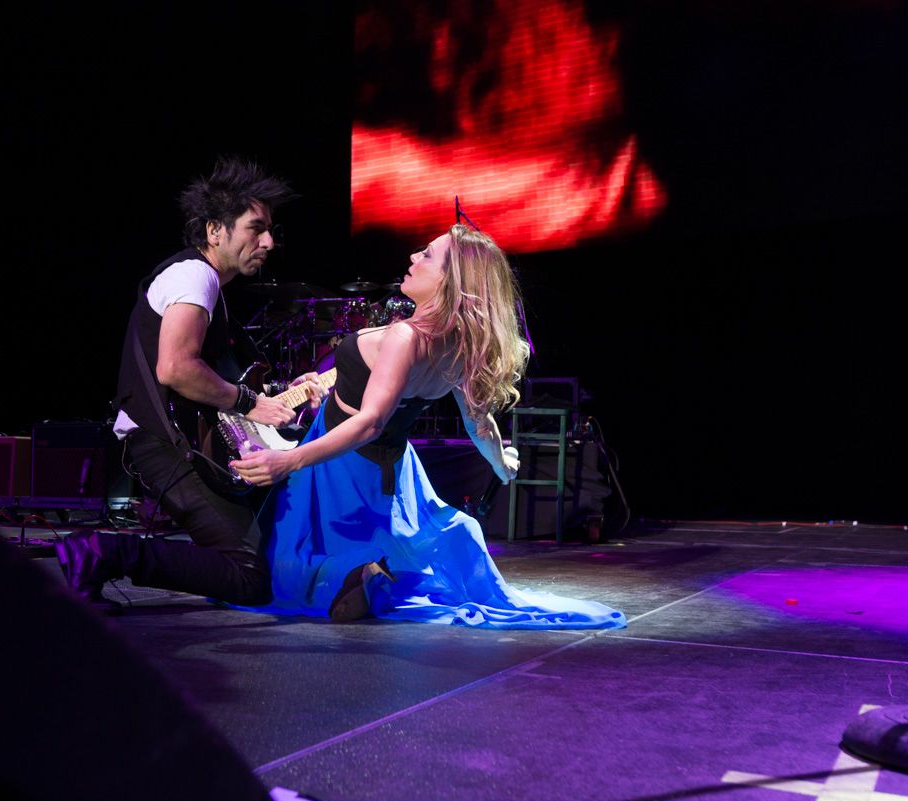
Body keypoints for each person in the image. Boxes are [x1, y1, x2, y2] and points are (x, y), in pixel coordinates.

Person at [229, 224, 625, 629]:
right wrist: (500, 462)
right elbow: (479, 422)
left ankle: (359, 573)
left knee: (285, 563)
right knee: (377, 539)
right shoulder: (459, 343)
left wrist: (289, 460)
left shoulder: (406, 337)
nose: (413, 258)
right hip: (393, 468)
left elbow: (369, 422)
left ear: (451, 282)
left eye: (427, 256)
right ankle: (371, 574)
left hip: (342, 464)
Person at [57, 157, 322, 606]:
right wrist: (248, 401)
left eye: (271, 230)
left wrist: (280, 394)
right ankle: (101, 550)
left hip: (182, 444)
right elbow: (176, 369)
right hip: (164, 447)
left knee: (261, 558)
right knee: (247, 577)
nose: (269, 242)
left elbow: (219, 383)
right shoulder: (194, 275)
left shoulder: (208, 286)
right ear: (215, 230)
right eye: (255, 229)